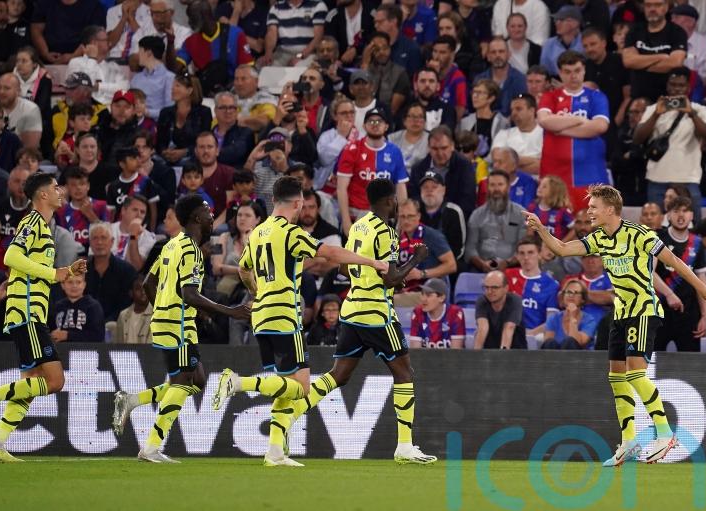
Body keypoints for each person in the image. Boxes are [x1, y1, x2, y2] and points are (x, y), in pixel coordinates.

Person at [525, 184, 706, 466]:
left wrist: (701, 287)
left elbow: (673, 261)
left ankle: (665, 434)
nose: (589, 211)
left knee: (636, 374)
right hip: (621, 311)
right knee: (616, 377)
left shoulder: (640, 234)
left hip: (642, 309)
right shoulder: (599, 238)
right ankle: (629, 441)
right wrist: (542, 229)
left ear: (610, 209)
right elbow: (562, 248)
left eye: (593, 207)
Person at [212, 176, 392, 466]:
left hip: (261, 314)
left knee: (282, 384)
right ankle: (238, 382)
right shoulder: (289, 232)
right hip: (284, 314)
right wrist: (372, 262)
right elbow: (331, 253)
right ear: (297, 203)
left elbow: (244, 269)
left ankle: (274, 451)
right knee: (303, 387)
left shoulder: (257, 232)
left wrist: (256, 291)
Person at [110, 195, 249, 462]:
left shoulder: (172, 245)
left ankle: (132, 401)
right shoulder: (191, 250)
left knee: (196, 381)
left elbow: (149, 283)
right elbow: (189, 294)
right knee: (185, 381)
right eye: (208, 212)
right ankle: (151, 446)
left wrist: (162, 307)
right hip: (178, 324)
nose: (212, 218)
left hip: (170, 320)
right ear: (196, 218)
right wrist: (230, 311)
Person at [0, 172, 87, 462]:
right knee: (55, 381)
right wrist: (54, 273)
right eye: (56, 187)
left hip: (31, 311)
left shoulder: (44, 228)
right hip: (26, 311)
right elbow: (11, 257)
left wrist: (67, 272)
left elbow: (33, 268)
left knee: (32, 382)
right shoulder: (33, 221)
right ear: (43, 195)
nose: (61, 191)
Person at [633, 67, 706, 220]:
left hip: (688, 180)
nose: (676, 89)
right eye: (672, 84)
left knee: (692, 228)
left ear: (688, 88)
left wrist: (691, 114)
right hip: (657, 180)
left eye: (680, 85)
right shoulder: (653, 109)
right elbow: (637, 138)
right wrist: (656, 115)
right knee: (656, 230)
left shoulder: (699, 110)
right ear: (667, 86)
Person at [538, 51, 609, 211]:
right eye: (567, 72)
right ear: (560, 73)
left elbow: (599, 127)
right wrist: (579, 120)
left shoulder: (597, 97)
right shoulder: (550, 97)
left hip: (591, 174)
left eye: (577, 71)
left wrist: (559, 128)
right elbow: (544, 120)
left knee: (595, 228)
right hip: (555, 176)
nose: (573, 76)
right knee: (554, 228)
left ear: (584, 70)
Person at [336, 107, 408, 236]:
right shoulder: (351, 149)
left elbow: (401, 188)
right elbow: (341, 188)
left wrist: (401, 219)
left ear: (386, 126)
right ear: (364, 125)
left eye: (379, 121)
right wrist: (346, 223)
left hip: (384, 217)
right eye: (371, 121)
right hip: (356, 214)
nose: (375, 125)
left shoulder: (395, 152)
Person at [652, 196, 706, 352]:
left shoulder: (697, 243)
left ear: (692, 215)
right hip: (658, 310)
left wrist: (705, 316)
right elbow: (648, 273)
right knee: (651, 362)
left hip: (688, 313)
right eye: (676, 211)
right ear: (668, 215)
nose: (681, 215)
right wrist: (669, 294)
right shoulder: (656, 238)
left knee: (690, 365)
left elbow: (701, 283)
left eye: (685, 211)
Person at [394, 199, 456, 306]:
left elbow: (451, 265)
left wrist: (422, 274)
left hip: (430, 292)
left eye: (410, 216)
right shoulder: (398, 239)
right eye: (402, 217)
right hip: (407, 290)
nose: (406, 220)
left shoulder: (432, 236)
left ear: (418, 216)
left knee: (385, 302)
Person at [621, 0, 687, 101]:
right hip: (638, 99)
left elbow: (675, 63)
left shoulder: (677, 32)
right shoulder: (634, 31)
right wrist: (660, 57)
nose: (652, 9)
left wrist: (640, 65)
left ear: (665, 7)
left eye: (657, 5)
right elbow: (628, 61)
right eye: (648, 5)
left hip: (667, 98)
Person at [465, 170, 527, 272]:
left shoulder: (521, 214)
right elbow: (470, 249)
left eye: (500, 185)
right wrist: (482, 264)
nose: (496, 189)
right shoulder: (477, 215)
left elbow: (524, 247)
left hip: (512, 267)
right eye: (492, 185)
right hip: (481, 267)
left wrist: (507, 262)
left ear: (508, 187)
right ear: (488, 187)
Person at [409, 125, 476, 219]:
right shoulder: (418, 169)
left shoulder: (464, 167)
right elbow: (414, 200)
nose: (440, 154)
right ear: (428, 147)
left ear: (452, 146)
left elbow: (467, 202)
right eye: (435, 149)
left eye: (444, 148)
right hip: (424, 220)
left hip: (454, 220)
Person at [156, 73, 212, 166]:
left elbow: (204, 141)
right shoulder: (165, 112)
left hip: (191, 157)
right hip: (166, 158)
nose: (172, 89)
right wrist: (164, 152)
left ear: (189, 90)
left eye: (177, 86)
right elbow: (159, 142)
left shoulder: (203, 112)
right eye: (173, 86)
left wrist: (184, 152)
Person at [86, 222, 137, 323]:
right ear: (90, 243)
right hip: (86, 325)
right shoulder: (81, 270)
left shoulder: (127, 271)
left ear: (112, 242)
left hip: (117, 325)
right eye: (95, 238)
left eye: (103, 238)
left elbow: (127, 305)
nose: (99, 242)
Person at [55, 167, 111, 249]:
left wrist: (91, 215)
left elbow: (109, 235)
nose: (78, 188)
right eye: (73, 185)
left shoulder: (101, 206)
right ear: (67, 188)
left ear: (88, 186)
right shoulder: (61, 212)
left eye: (82, 184)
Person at [418, 170, 466, 262]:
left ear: (443, 190)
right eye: (425, 187)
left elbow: (459, 249)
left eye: (434, 187)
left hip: (447, 266)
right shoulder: (414, 211)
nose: (429, 190)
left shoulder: (453, 212)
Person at [474, 36, 528, 117]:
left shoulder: (520, 79)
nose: (497, 55)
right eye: (493, 52)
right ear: (488, 57)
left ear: (509, 55)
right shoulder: (479, 80)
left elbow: (521, 108)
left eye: (501, 51)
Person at [262, 0, 327, 67]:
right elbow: (271, 33)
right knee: (268, 67)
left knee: (300, 68)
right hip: (282, 53)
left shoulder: (317, 5)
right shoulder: (276, 8)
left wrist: (300, 56)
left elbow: (318, 37)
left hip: (309, 53)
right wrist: (268, 52)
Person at [491, 93, 542, 175]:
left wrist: (511, 165)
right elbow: (498, 161)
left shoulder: (546, 135)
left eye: (518, 109)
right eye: (512, 110)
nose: (513, 113)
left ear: (532, 111)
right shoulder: (503, 134)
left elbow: (545, 166)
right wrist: (535, 160)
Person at [473, 270, 526, 349]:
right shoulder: (482, 301)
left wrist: (502, 357)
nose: (489, 291)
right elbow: (482, 328)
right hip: (489, 352)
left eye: (494, 287)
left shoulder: (515, 300)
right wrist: (476, 357)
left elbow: (509, 328)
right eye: (486, 287)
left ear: (506, 288)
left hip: (516, 351)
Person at [409, 278, 465, 349]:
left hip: (448, 359)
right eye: (422, 294)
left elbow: (456, 352)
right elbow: (416, 352)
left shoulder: (455, 313)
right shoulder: (417, 312)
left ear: (441, 298)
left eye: (428, 295)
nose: (423, 299)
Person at [542, 278, 598, 349]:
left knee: (570, 342)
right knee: (550, 342)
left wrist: (572, 318)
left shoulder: (589, 320)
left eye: (576, 293)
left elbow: (579, 342)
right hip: (555, 358)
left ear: (583, 299)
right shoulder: (554, 318)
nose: (571, 295)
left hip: (580, 358)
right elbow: (547, 344)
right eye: (568, 292)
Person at [460, 79, 510, 159]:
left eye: (479, 93)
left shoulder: (501, 122)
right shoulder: (465, 122)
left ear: (491, 98)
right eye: (474, 92)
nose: (475, 96)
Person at [49, 274, 105, 343]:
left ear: (84, 285)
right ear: (62, 285)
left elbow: (98, 336)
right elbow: (49, 330)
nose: (74, 286)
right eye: (70, 282)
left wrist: (68, 335)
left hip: (86, 351)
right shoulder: (58, 306)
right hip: (60, 351)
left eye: (78, 282)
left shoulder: (93, 306)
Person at [130, 36, 175, 120]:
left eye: (140, 51)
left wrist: (147, 112)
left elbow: (170, 111)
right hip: (135, 123)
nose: (137, 54)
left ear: (149, 53)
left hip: (158, 125)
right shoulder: (136, 78)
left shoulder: (169, 78)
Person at [0, 73, 41, 151]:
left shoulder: (30, 109)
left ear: (18, 91)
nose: (2, 92)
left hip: (21, 158)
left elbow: (31, 149)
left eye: (7, 88)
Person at [525, 175, 575, 241]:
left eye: (544, 187)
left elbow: (574, 229)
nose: (539, 188)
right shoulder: (532, 207)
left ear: (554, 191)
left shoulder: (563, 211)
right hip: (538, 248)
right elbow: (529, 230)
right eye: (540, 185)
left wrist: (562, 245)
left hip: (555, 248)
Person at [540, 6, 584, 77]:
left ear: (575, 23)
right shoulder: (549, 44)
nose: (557, 23)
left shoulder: (585, 42)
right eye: (556, 20)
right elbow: (544, 73)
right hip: (555, 84)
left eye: (561, 20)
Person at [388, 102, 429, 175]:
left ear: (425, 122)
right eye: (412, 116)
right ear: (404, 121)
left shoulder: (430, 139)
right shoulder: (392, 138)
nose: (416, 121)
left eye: (420, 117)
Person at [114, 273, 153, 344]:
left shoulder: (156, 315)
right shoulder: (123, 315)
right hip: (125, 355)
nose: (143, 292)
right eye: (138, 289)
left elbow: (154, 350)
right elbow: (118, 345)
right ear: (131, 293)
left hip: (147, 354)